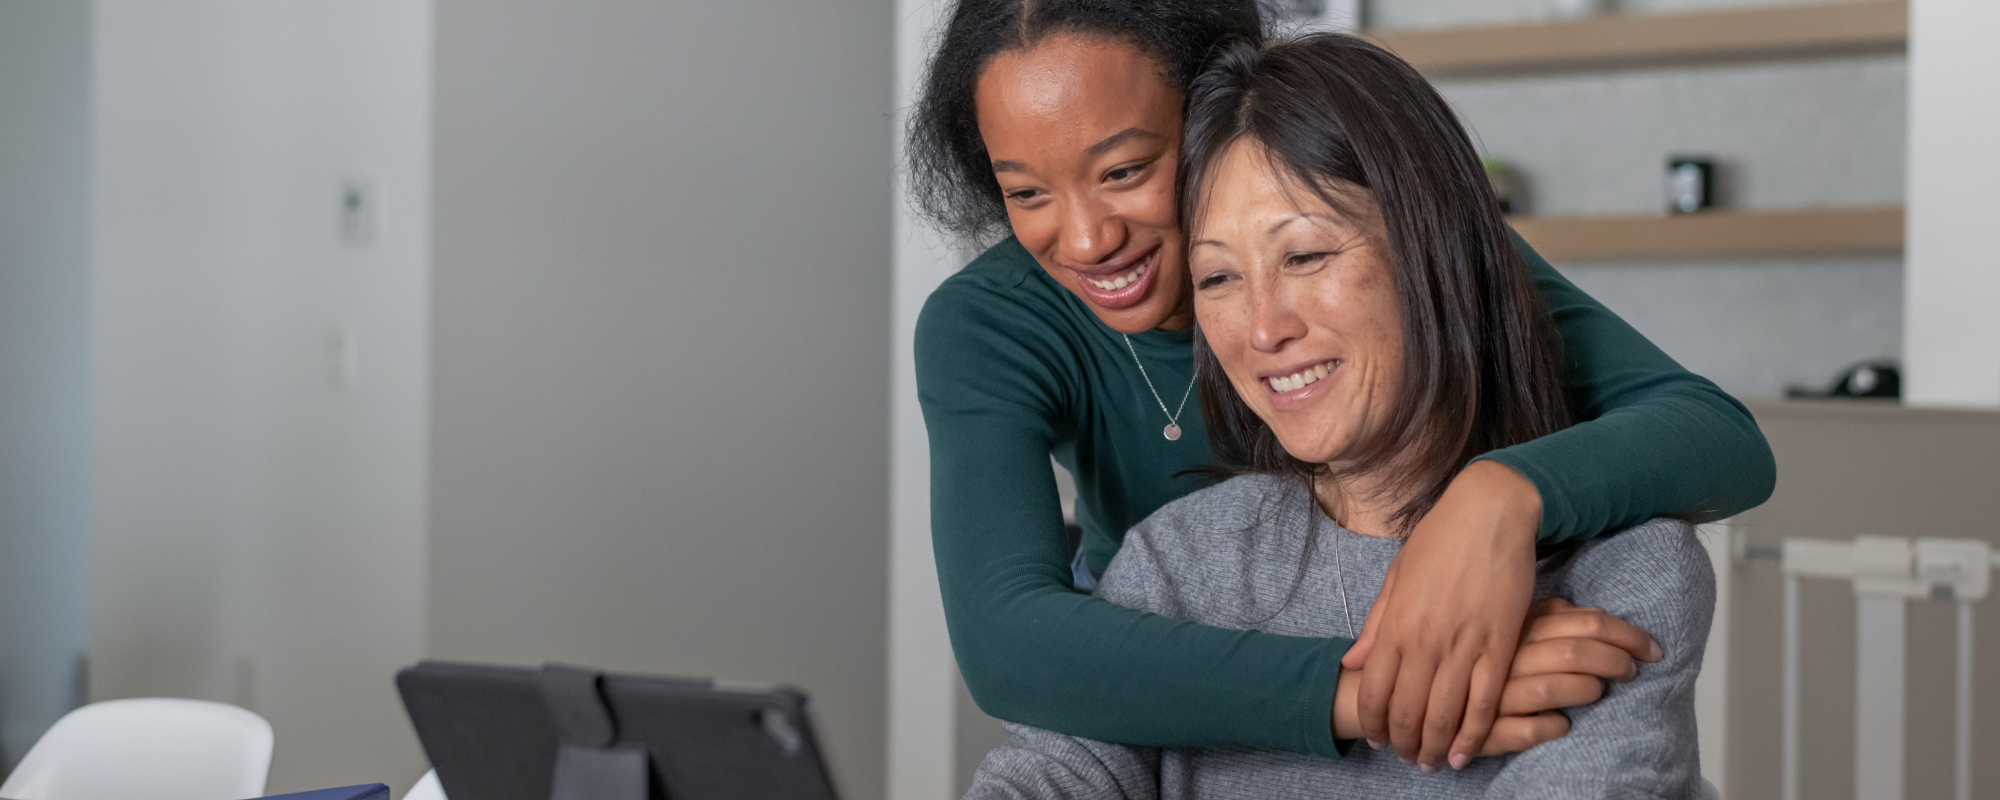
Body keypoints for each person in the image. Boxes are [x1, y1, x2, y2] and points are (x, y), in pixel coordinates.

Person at [910, 0, 1768, 771]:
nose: (1088, 238)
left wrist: (1497, 499)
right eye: (1026, 192)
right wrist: (1375, 687)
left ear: (1214, 114)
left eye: (1126, 170)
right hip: (1162, 685)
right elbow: (1008, 642)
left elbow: (1716, 437)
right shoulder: (1008, 348)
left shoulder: (1414, 245)